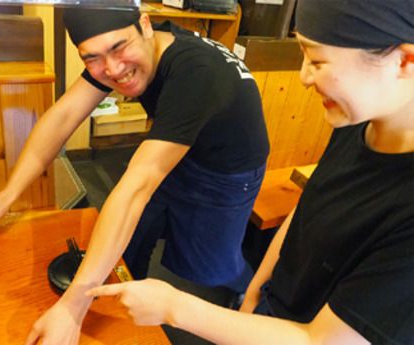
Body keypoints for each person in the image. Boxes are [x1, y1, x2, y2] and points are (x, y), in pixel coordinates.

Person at [86, 0, 414, 344]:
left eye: (317, 60)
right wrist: (254, 297)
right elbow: (305, 212)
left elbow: (322, 341)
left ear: (405, 60)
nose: (303, 76)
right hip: (273, 313)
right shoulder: (358, 122)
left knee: (210, 263)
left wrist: (173, 306)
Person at [0, 6, 269, 345]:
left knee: (210, 268)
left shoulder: (195, 72)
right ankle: (120, 303)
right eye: (92, 58)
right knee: (127, 240)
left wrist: (72, 307)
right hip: (175, 147)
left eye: (119, 48)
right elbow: (63, 116)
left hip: (227, 170)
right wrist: (5, 196)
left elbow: (137, 187)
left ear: (144, 26)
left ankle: (258, 296)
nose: (113, 69)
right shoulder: (131, 44)